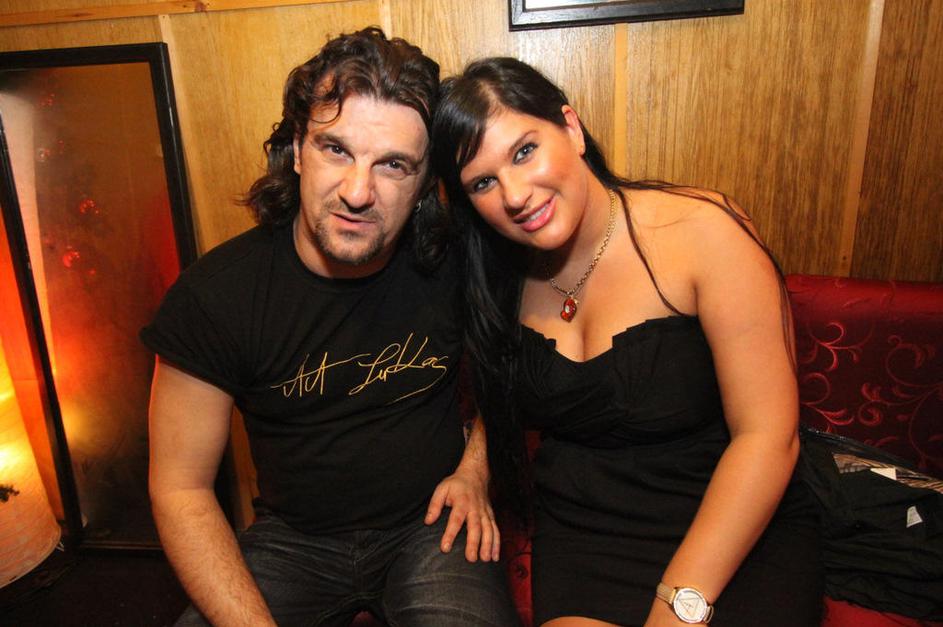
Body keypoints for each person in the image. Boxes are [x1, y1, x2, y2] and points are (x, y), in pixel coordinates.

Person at [142, 29, 517, 627]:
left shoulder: (454, 263)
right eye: (336, 149)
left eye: (393, 164)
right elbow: (180, 489)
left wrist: (475, 470)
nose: (357, 192)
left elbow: (515, 367)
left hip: (429, 524)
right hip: (292, 541)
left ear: (425, 183)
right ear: (297, 150)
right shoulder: (216, 297)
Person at [431, 57, 823, 627]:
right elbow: (502, 385)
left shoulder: (703, 232)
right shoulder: (499, 276)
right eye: (483, 183)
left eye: (524, 151)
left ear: (571, 127)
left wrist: (678, 604)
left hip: (733, 525)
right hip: (588, 536)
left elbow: (768, 435)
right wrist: (473, 469)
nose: (514, 195)